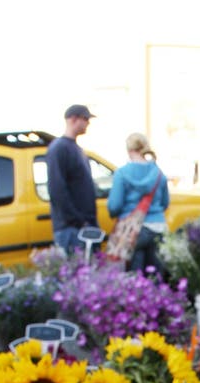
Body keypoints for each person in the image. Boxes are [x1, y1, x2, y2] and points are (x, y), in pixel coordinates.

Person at [107, 133, 169, 273]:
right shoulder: (159, 174)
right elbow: (165, 203)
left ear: (129, 150)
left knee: (134, 278)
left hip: (133, 231)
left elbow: (114, 206)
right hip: (158, 228)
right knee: (156, 277)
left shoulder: (122, 174)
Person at [46, 104, 98, 254]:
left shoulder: (77, 149)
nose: (88, 123)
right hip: (71, 229)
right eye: (85, 119)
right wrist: (78, 220)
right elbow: (57, 190)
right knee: (76, 267)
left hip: (84, 225)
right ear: (73, 119)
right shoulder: (59, 148)